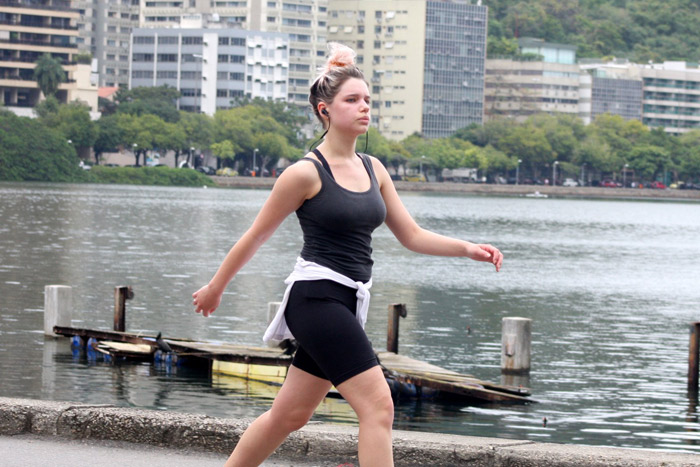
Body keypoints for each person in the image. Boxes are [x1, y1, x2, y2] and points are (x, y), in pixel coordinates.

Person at [192, 42, 503, 467]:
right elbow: (254, 237)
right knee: (379, 407)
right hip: (316, 299)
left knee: (290, 415)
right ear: (324, 110)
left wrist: (469, 249)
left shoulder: (374, 169)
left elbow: (410, 234)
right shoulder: (304, 173)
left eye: (367, 100)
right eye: (352, 100)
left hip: (348, 302)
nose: (364, 108)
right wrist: (215, 287)